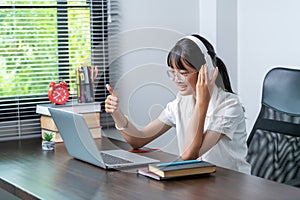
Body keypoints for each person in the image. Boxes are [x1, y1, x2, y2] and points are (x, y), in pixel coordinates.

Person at [105, 34, 251, 174]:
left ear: (206, 71)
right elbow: (138, 139)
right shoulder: (181, 102)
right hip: (200, 182)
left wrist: (202, 102)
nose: (176, 79)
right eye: (173, 72)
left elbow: (190, 154)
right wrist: (116, 113)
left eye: (183, 73)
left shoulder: (229, 106)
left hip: (231, 185)